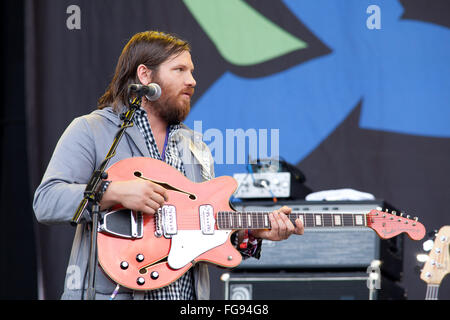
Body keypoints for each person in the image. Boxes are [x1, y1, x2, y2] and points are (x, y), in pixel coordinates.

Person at [33, 30, 304, 300]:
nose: (192, 80)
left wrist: (252, 233)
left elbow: (202, 230)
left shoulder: (196, 145)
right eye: (179, 70)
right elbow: (46, 201)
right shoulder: (91, 130)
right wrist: (113, 192)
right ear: (145, 76)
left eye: (192, 71)